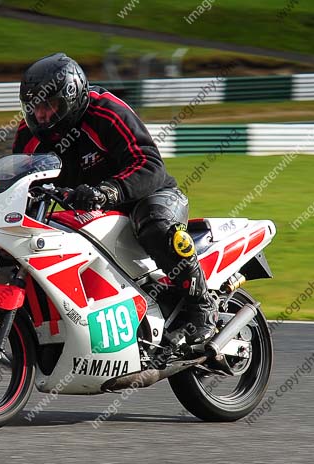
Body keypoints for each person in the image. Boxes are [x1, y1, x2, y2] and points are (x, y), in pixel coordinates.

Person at [12, 52, 218, 347]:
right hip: (87, 213)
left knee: (155, 223)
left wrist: (108, 192)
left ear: (70, 97)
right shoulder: (28, 135)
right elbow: (20, 182)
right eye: (34, 108)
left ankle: (201, 307)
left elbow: (150, 165)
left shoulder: (106, 112)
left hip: (147, 196)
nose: (41, 116)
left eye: (49, 106)